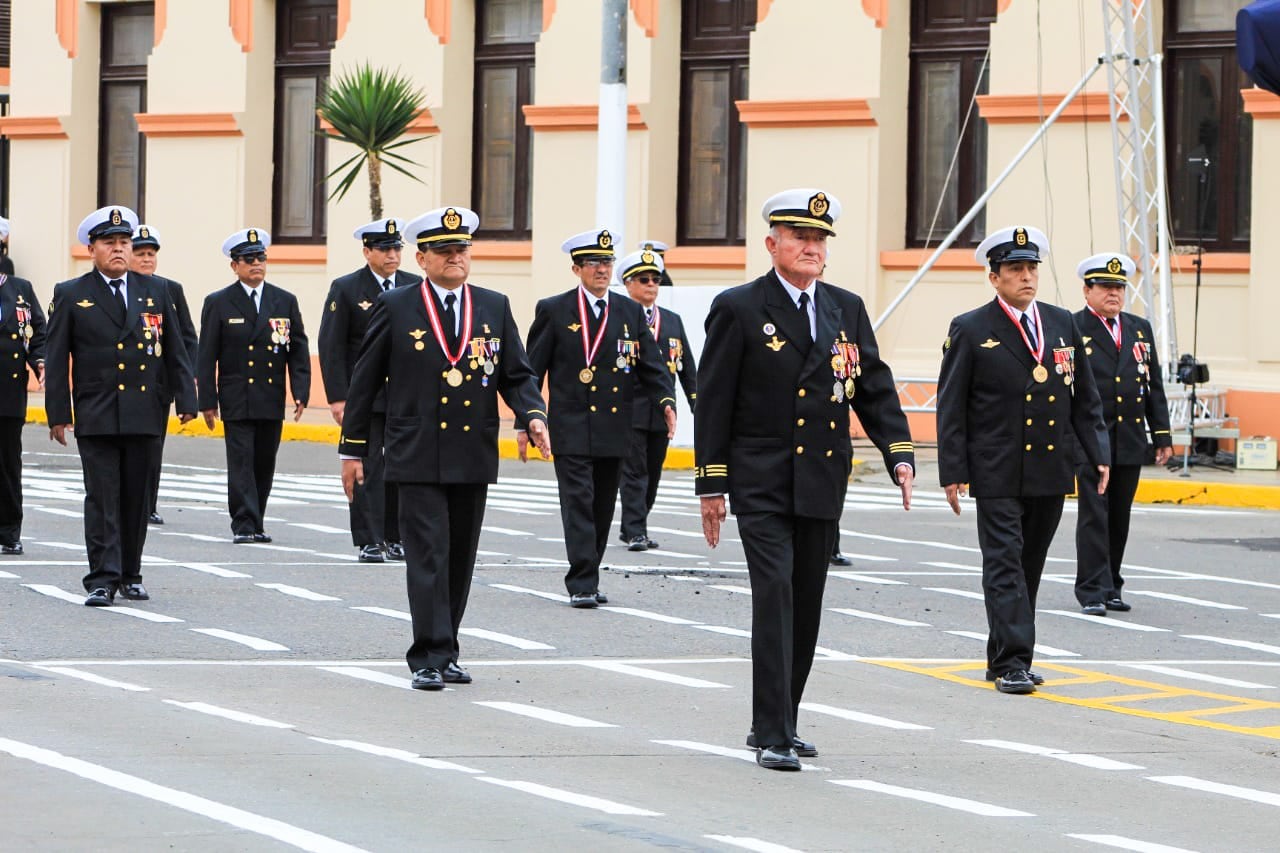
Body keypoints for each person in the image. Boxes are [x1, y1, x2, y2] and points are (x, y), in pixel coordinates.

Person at [695, 189, 916, 772]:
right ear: (773, 245)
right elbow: (713, 400)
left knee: (807, 603)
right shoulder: (739, 307)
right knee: (774, 595)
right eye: (800, 238)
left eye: (819, 239)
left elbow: (872, 386)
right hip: (761, 477)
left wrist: (899, 453)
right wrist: (712, 484)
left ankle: (783, 718)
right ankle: (770, 729)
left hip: (821, 477)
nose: (812, 248)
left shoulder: (846, 307)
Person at [339, 206, 550, 691]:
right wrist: (352, 450)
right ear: (423, 258)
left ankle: (448, 647)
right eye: (445, 251)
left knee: (459, 554)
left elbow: (515, 373)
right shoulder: (397, 306)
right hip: (416, 449)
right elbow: (365, 382)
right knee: (427, 553)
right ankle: (427, 655)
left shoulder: (493, 306)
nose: (456, 258)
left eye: (462, 250)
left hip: (471, 450)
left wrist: (533, 414)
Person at [937, 225, 1110, 696]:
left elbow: (1085, 396)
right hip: (996, 468)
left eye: (1031, 267)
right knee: (1004, 563)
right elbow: (951, 404)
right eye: (1014, 269)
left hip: (1050, 467)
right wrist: (953, 470)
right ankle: (1015, 660)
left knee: (1029, 563)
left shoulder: (1061, 323)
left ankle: (1002, 657)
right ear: (994, 278)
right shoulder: (972, 328)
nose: (1026, 277)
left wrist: (1098, 453)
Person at [44, 205, 197, 605]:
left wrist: (186, 398)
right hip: (96, 411)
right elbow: (58, 358)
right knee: (101, 498)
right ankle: (101, 577)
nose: (118, 250)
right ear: (91, 249)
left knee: (136, 497)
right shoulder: (72, 294)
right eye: (109, 243)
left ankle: (131, 572)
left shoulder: (157, 291)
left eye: (124, 243)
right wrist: (58, 413)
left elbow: (176, 351)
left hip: (144, 411)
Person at [525, 228, 676, 608]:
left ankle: (590, 569)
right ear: (576, 269)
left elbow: (652, 365)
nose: (602, 270)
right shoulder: (554, 309)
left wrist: (665, 400)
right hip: (571, 425)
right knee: (578, 502)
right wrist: (527, 419)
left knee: (603, 505)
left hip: (614, 427)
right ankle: (582, 581)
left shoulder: (628, 311)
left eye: (607, 262)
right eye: (593, 263)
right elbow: (531, 371)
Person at [1072, 253, 1173, 615]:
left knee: (1119, 515)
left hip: (1129, 438)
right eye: (1105, 287)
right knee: (1094, 515)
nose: (1114, 294)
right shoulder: (1073, 327)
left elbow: (1153, 385)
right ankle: (1091, 589)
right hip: (1090, 441)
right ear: (1087, 290)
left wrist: (1160, 434)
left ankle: (1112, 584)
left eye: (1119, 287)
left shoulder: (1138, 328)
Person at [198, 228, 310, 544]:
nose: (256, 264)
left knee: (264, 461)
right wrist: (207, 400)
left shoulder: (284, 300)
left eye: (261, 258)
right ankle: (244, 523)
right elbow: (206, 355)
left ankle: (256, 518)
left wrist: (300, 391)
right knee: (241, 461)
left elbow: (298, 349)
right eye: (249, 259)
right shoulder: (219, 302)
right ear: (235, 266)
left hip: (270, 396)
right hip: (236, 396)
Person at [320, 217, 423, 563]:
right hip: (364, 395)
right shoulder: (347, 288)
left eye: (396, 248)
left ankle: (396, 536)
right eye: (384, 248)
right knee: (365, 466)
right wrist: (338, 397)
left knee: (401, 466)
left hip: (405, 395)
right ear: (367, 252)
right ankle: (368, 537)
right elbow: (332, 345)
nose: (393, 254)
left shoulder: (414, 285)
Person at [616, 248, 696, 551]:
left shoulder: (672, 321)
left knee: (652, 473)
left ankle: (631, 526)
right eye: (644, 279)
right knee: (634, 473)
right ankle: (637, 531)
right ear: (628, 284)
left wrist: (695, 402)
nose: (651, 285)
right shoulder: (618, 316)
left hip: (663, 412)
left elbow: (687, 365)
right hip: (629, 409)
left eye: (655, 279)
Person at [129, 224, 199, 526]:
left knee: (153, 446)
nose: (146, 259)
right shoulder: (121, 288)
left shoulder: (169, 289)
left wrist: (187, 383)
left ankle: (149, 504)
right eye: (140, 253)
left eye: (151, 254)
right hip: (127, 381)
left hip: (159, 384)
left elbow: (185, 338)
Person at [0, 248, 46, 555]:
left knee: (7, 463)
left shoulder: (20, 289)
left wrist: (40, 360)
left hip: (8, 391)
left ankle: (8, 530)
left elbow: (38, 331)